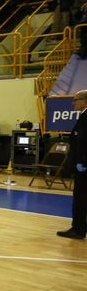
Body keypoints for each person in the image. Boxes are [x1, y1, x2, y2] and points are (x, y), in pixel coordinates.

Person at [57, 90, 87, 239]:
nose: (73, 103)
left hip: (84, 166)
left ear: (84, 100)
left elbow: (84, 142)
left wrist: (83, 162)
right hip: (81, 163)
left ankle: (78, 229)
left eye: (76, 100)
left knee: (80, 198)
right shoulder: (83, 116)